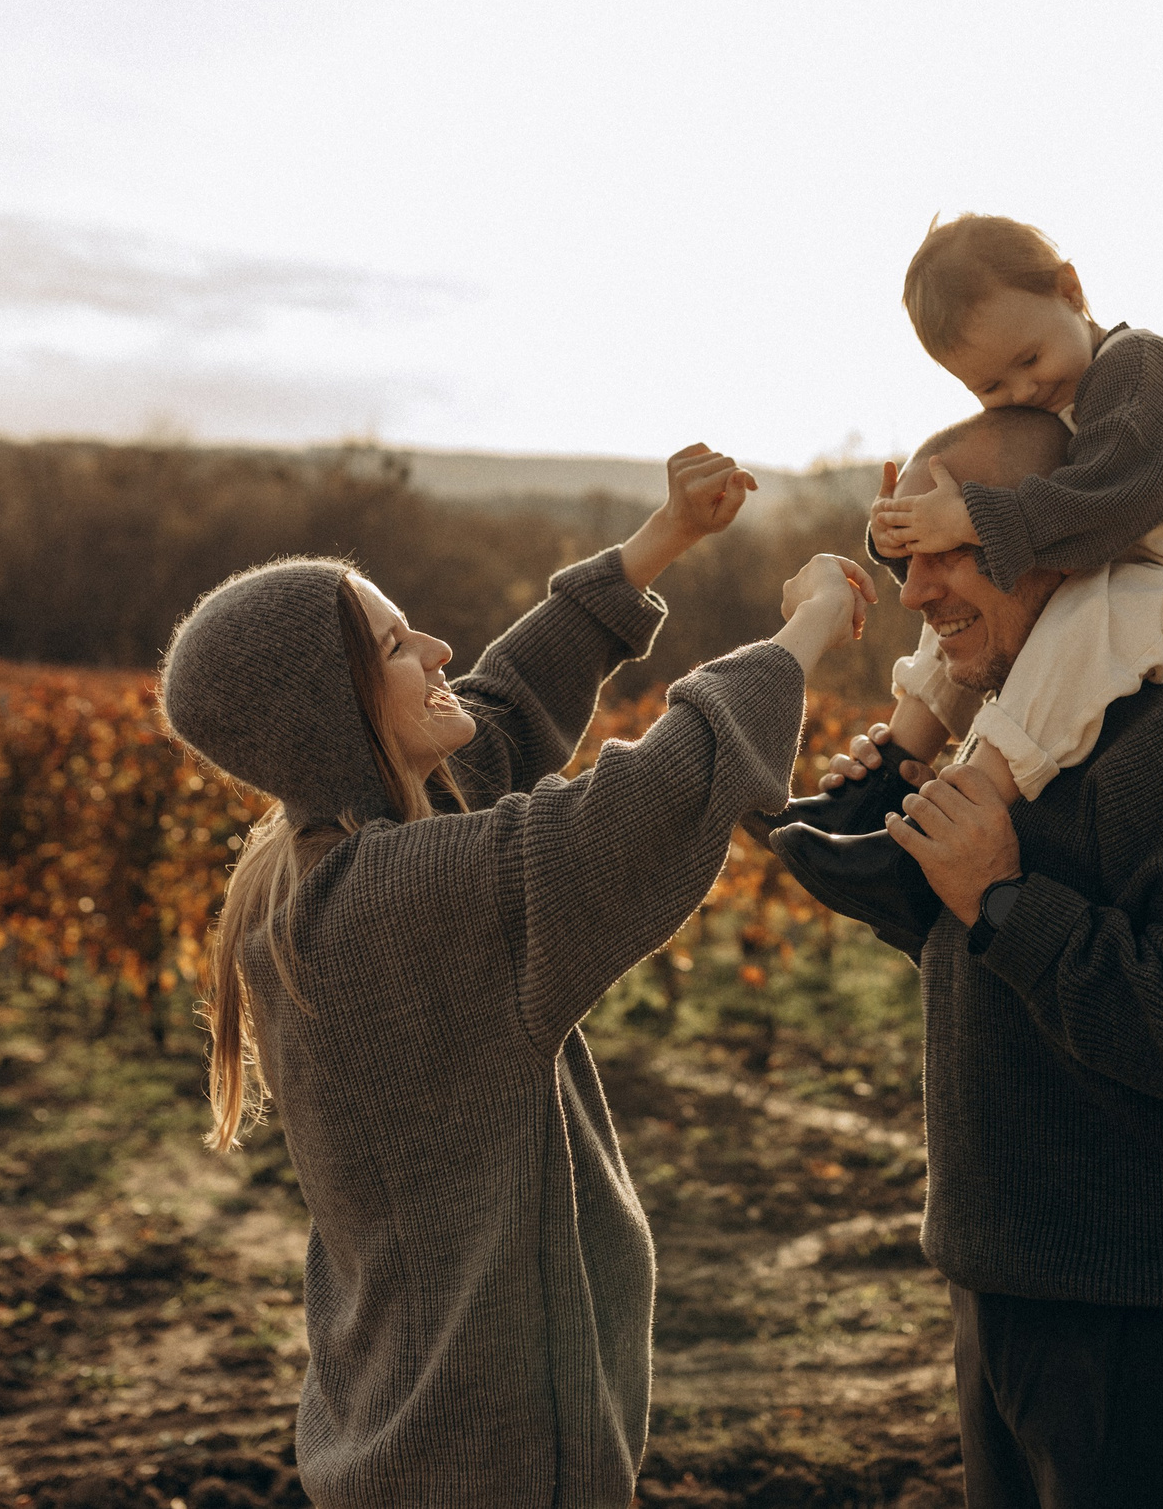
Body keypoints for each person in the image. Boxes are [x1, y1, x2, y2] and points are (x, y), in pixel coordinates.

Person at [156, 443, 876, 1509]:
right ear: (337, 710)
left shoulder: (329, 847)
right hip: (487, 1457)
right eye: (398, 645)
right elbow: (638, 806)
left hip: (430, 1436)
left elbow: (500, 707)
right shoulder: (392, 906)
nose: (437, 648)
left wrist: (661, 541)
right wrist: (807, 628)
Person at [779, 408, 1163, 1509]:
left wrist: (1000, 900)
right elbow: (1009, 966)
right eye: (904, 559)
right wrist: (913, 873)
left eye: (948, 551)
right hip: (1015, 1297)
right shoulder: (1018, 733)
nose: (916, 591)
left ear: (1059, 537)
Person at [761, 214, 1163, 933]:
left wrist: (969, 519)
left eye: (1029, 358)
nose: (1023, 388)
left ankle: (933, 837)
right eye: (991, 385)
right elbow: (1047, 511)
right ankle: (887, 778)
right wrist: (908, 532)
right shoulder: (1062, 393)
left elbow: (1112, 501)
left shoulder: (1141, 369)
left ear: (1070, 290)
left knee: (1079, 623)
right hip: (1134, 539)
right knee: (966, 606)